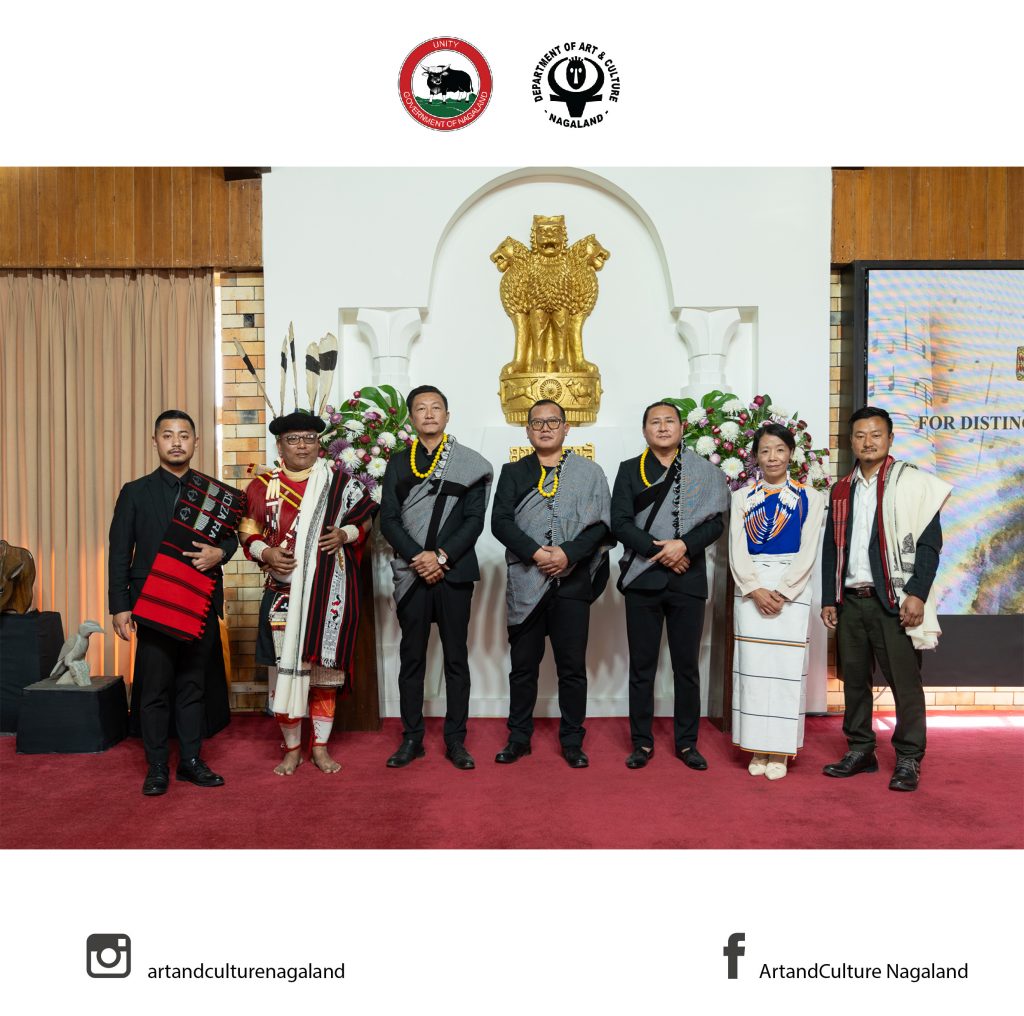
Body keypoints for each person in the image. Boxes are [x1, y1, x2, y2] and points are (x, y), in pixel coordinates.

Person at [109, 410, 241, 796]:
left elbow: (231, 537)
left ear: (196, 442)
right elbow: (120, 551)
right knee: (154, 689)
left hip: (198, 601)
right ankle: (156, 767)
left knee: (192, 686)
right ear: (155, 442)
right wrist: (120, 605)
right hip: (153, 604)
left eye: (184, 435)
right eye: (168, 435)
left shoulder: (213, 495)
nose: (177, 442)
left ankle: (190, 761)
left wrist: (221, 553)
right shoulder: (135, 492)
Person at [820, 406, 950, 792]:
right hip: (851, 601)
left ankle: (909, 757)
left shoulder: (912, 483)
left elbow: (929, 545)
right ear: (851, 441)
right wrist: (829, 598)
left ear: (890, 438)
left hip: (893, 599)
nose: (868, 442)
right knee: (854, 682)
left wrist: (917, 594)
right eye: (860, 435)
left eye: (876, 434)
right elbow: (831, 548)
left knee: (904, 683)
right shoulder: (841, 489)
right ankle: (861, 749)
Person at [239, 412, 377, 775]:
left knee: (324, 678)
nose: (302, 445)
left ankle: (319, 748)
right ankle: (291, 749)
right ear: (279, 445)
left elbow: (365, 521)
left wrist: (345, 534)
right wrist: (266, 553)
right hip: (281, 595)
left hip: (328, 595)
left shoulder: (341, 483)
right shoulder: (261, 486)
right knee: (284, 676)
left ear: (320, 443)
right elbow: (247, 530)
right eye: (293, 439)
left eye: (309, 438)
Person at [491, 399, 613, 768]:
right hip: (526, 581)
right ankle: (518, 738)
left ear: (566, 428)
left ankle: (572, 741)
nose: (545, 428)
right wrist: (536, 554)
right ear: (527, 431)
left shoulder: (589, 473)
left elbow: (602, 526)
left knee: (571, 669)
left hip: (572, 584)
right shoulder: (513, 472)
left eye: (553, 422)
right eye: (538, 423)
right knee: (523, 668)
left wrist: (567, 554)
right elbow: (500, 522)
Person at [379, 385, 493, 770]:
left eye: (436, 407)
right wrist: (418, 557)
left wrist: (440, 557)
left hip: (454, 573)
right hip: (412, 573)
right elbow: (388, 519)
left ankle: (456, 740)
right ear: (411, 418)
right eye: (421, 408)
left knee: (456, 658)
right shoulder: (399, 463)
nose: (429, 414)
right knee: (411, 657)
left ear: (447, 415)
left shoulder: (470, 463)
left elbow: (474, 520)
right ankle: (412, 738)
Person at [611, 401, 728, 771]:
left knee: (686, 667)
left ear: (681, 428)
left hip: (688, 579)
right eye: (654, 422)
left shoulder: (704, 471)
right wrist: (661, 552)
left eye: (669, 421)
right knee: (642, 666)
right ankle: (641, 743)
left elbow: (716, 522)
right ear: (644, 430)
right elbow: (619, 522)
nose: (662, 427)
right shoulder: (629, 469)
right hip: (642, 579)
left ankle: (687, 743)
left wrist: (685, 546)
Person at [728, 423, 825, 780]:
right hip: (751, 587)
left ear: (791, 454)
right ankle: (756, 746)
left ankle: (780, 750)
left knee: (786, 670)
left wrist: (783, 591)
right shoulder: (742, 497)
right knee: (752, 669)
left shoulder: (810, 497)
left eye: (780, 450)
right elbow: (737, 548)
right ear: (755, 456)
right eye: (765, 450)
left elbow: (809, 550)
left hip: (792, 591)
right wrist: (754, 588)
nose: (772, 457)